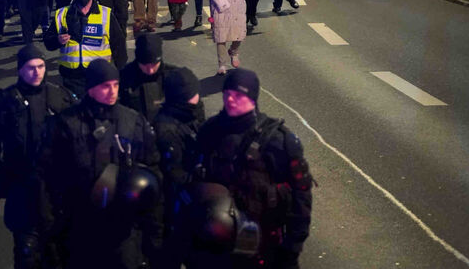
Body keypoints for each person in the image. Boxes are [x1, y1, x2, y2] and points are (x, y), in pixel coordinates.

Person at [38, 59, 163, 269]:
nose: (112, 91)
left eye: (116, 85)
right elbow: (48, 176)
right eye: (105, 86)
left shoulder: (132, 121)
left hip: (123, 226)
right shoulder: (67, 124)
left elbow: (153, 168)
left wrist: (154, 229)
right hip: (81, 223)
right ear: (91, 88)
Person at [185, 69, 313, 268]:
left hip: (263, 244)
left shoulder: (278, 141)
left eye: (238, 96)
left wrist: (293, 245)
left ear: (252, 98)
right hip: (215, 242)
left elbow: (301, 196)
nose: (231, 100)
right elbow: (191, 177)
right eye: (227, 95)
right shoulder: (210, 131)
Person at [0, 45, 77, 269]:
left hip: (57, 191)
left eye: (41, 66)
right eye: (31, 68)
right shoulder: (3, 103)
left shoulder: (59, 97)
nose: (37, 72)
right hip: (22, 189)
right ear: (20, 69)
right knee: (27, 255)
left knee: (59, 256)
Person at [152, 67, 206, 258]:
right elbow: (173, 172)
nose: (198, 97)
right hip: (173, 208)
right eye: (193, 93)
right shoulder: (165, 129)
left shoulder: (192, 113)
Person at [43, 0, 121, 98]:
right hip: (71, 76)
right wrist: (57, 40)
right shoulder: (62, 14)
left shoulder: (105, 14)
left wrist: (118, 73)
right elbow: (48, 43)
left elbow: (119, 45)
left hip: (99, 74)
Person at [119, 34, 174, 123]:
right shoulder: (124, 77)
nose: (150, 70)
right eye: (144, 65)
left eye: (153, 64)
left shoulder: (174, 77)